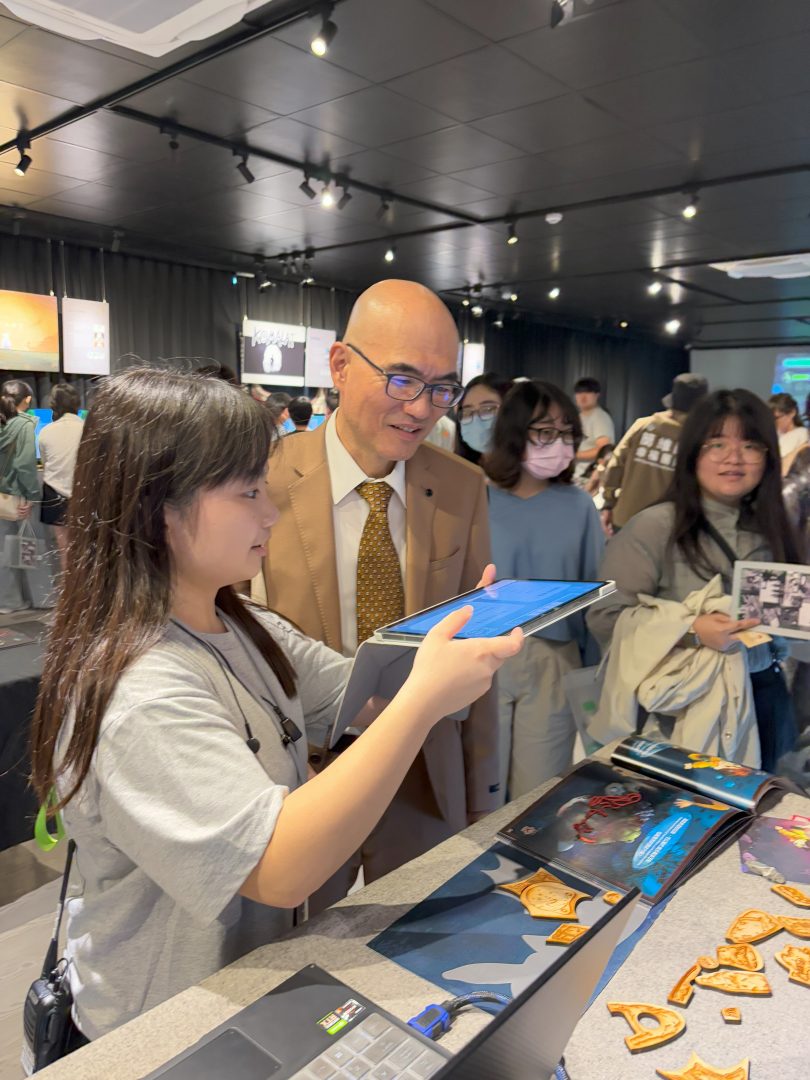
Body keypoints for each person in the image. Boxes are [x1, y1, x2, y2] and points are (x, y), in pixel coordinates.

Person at [29, 368, 521, 1045]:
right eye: (248, 492)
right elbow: (278, 868)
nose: (271, 514)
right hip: (162, 1032)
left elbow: (358, 691)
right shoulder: (140, 689)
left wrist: (465, 633)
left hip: (243, 997)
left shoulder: (241, 622)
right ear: (161, 507)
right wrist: (424, 699)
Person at [253, 280, 502, 906]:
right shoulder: (261, 478)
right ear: (340, 365)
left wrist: (482, 796)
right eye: (402, 378)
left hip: (424, 768)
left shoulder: (461, 487)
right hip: (303, 775)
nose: (421, 408)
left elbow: (477, 643)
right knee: (298, 948)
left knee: (421, 934)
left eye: (442, 388)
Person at [588, 388, 804, 772]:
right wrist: (691, 630)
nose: (734, 458)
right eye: (717, 444)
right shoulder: (656, 526)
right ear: (693, 453)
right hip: (685, 713)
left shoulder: (773, 527)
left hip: (764, 702)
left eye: (750, 445)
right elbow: (605, 615)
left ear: (767, 456)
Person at [483, 380, 605, 797]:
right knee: (479, 790)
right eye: (545, 432)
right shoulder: (475, 498)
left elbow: (594, 593)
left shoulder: (578, 504)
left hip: (554, 656)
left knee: (535, 794)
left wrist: (593, 672)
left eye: (567, 433)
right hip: (483, 653)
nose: (559, 444)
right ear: (515, 431)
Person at [600, 373, 709, 534]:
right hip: (669, 526)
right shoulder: (700, 439)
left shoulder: (642, 425)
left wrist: (608, 503)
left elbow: (615, 465)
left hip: (626, 517)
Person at [0, 379, 39, 613]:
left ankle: (7, 600)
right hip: (13, 497)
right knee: (17, 549)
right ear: (28, 399)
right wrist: (32, 496)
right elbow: (25, 465)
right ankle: (13, 601)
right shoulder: (24, 425)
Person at [39, 382, 84, 570]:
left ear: (53, 405)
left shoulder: (45, 432)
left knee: (64, 547)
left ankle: (68, 585)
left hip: (54, 495)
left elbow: (46, 463)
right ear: (77, 403)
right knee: (85, 546)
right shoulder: (89, 429)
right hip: (84, 493)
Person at [456, 372, 512, 464]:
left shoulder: (530, 470)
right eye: (467, 412)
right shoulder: (458, 467)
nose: (476, 420)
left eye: (488, 409)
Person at [573, 376, 615, 480]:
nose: (582, 397)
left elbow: (603, 451)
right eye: (579, 392)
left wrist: (571, 455)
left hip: (589, 476)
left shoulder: (600, 417)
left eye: (587, 392)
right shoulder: (579, 417)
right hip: (577, 474)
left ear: (597, 395)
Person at [769, 392, 808, 477]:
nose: (774, 422)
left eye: (777, 418)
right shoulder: (773, 435)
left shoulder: (801, 434)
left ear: (792, 413)